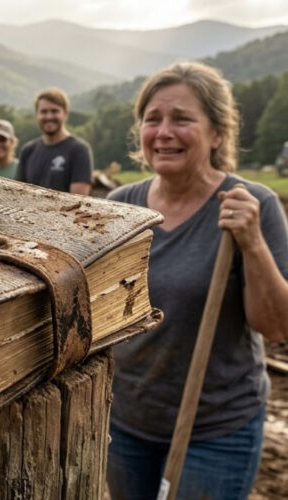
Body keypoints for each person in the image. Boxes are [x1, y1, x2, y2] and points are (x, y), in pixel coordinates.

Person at [105, 62, 288, 499]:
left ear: (218, 133)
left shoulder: (251, 204)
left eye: (182, 119)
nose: (164, 131)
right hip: (126, 423)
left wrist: (252, 243)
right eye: (153, 119)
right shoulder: (119, 209)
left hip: (215, 429)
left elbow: (278, 327)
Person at [15, 88, 93, 194]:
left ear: (65, 114)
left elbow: (79, 200)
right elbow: (18, 193)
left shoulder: (79, 150)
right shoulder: (28, 151)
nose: (49, 116)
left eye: (54, 111)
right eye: (44, 112)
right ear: (37, 115)